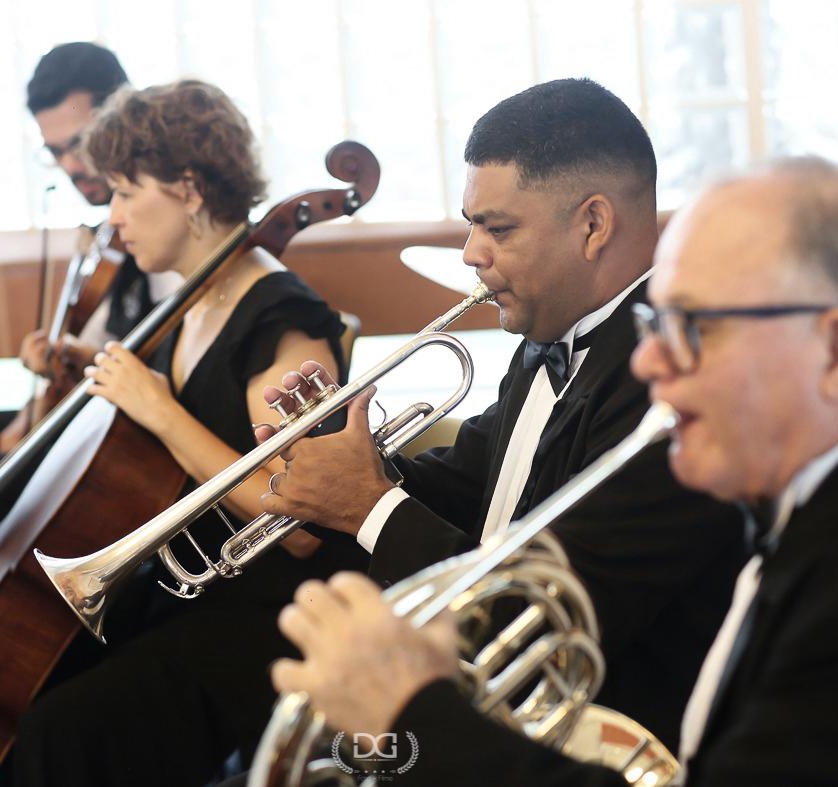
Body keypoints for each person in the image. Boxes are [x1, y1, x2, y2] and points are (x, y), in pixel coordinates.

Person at [269, 157, 838, 786]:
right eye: (653, 325)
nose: (647, 361)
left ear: (837, 350)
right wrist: (349, 471)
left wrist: (414, 714)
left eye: (690, 329)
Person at [257, 77, 745, 749]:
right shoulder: (546, 337)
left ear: (593, 225)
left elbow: (544, 620)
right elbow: (473, 487)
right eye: (471, 224)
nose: (470, 252)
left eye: (497, 228)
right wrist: (348, 461)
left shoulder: (672, 387)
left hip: (578, 741)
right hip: (486, 713)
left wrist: (367, 505)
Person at [11, 78, 365, 787]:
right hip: (188, 587)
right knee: (36, 685)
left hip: (266, 614)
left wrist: (158, 408)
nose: (113, 217)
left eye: (125, 192)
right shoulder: (196, 298)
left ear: (189, 189)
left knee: (61, 732)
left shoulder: (284, 320)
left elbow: (302, 524)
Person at [0, 42, 178, 481]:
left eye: (79, 143)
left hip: (131, 433)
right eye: (56, 152)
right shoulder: (108, 240)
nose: (71, 166)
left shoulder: (163, 232)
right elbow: (90, 347)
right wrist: (42, 390)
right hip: (90, 406)